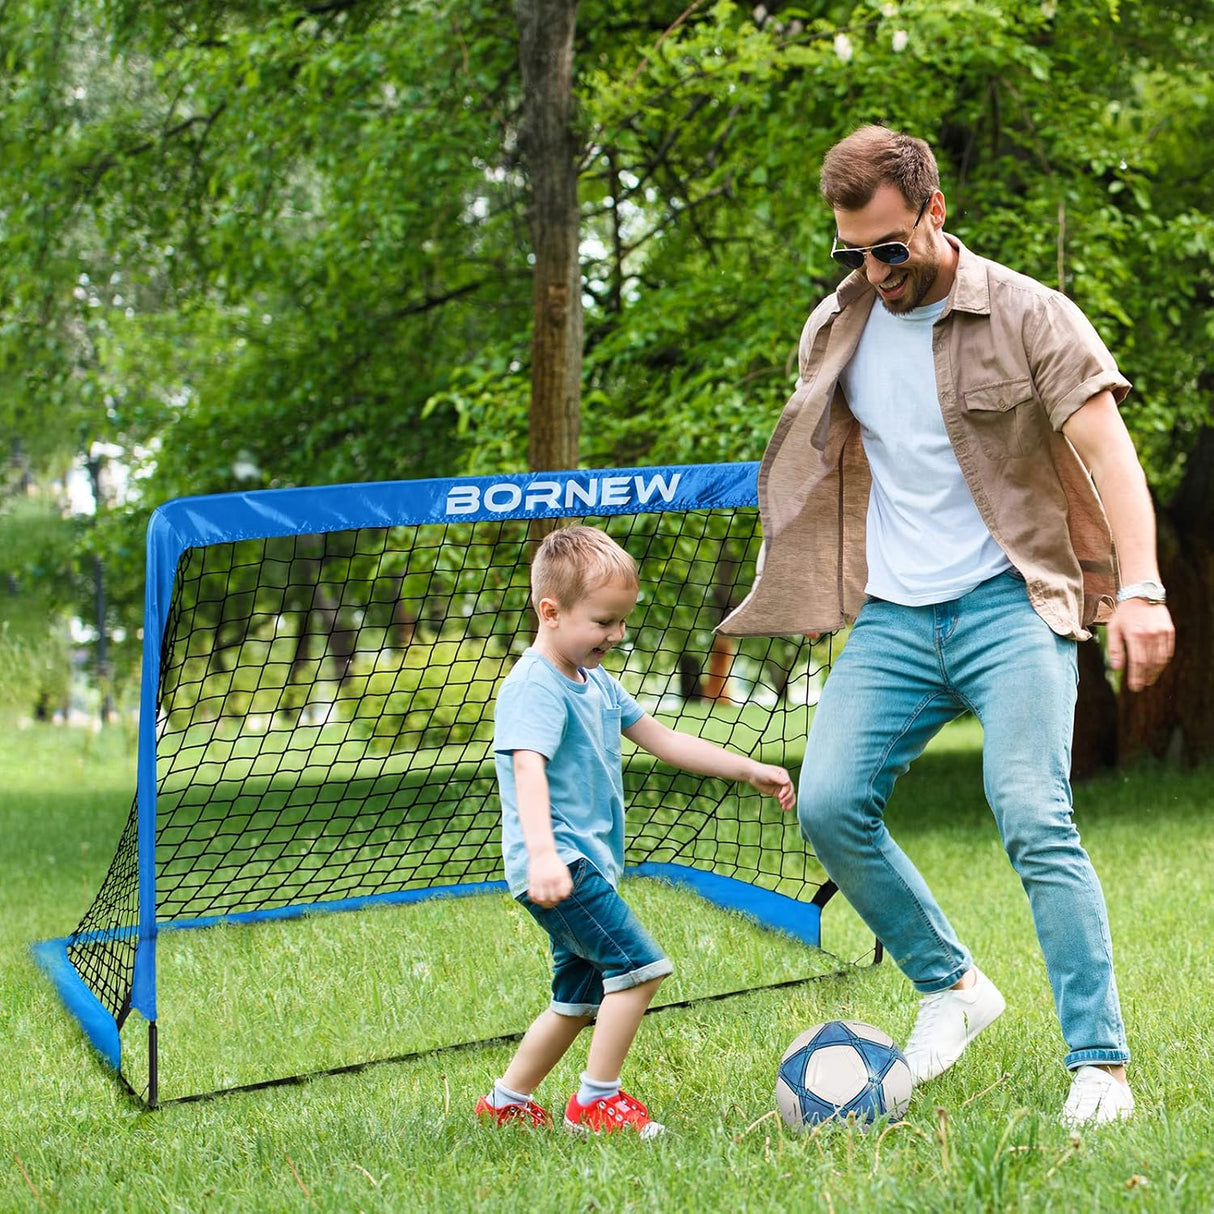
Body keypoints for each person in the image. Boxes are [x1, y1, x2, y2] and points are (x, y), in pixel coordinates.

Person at [720, 125, 1175, 1128]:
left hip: (1007, 603)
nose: (873, 270)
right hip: (892, 613)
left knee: (1029, 809)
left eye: (889, 246)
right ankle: (954, 983)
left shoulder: (1026, 315)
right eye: (852, 252)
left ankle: (1097, 1065)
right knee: (830, 804)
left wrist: (1137, 588)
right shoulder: (831, 327)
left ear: (933, 213)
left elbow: (1109, 453)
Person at [478, 525, 796, 1137]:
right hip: (560, 865)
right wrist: (543, 855)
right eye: (603, 622)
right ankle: (597, 1102)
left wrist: (747, 767)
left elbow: (664, 739)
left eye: (623, 622)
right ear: (551, 612)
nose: (617, 636)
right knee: (641, 969)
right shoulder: (534, 688)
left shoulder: (595, 681)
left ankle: (506, 1101)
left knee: (576, 1002)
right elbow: (526, 771)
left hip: (584, 865)